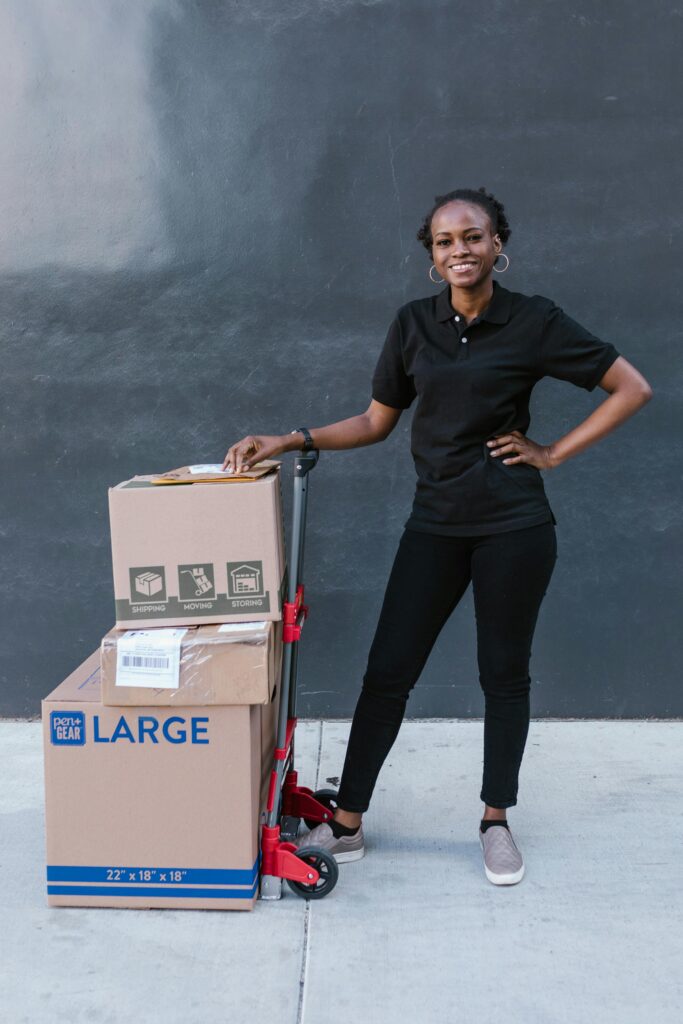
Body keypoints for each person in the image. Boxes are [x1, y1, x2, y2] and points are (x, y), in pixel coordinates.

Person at [222, 187, 652, 886]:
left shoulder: (533, 320)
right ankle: (349, 820)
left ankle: (494, 820)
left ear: (496, 244)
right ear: (431, 254)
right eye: (446, 241)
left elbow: (630, 387)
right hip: (435, 524)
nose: (460, 250)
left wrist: (552, 453)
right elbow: (373, 422)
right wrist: (291, 438)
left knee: (502, 675)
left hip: (513, 526)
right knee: (388, 672)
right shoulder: (412, 325)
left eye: (473, 237)